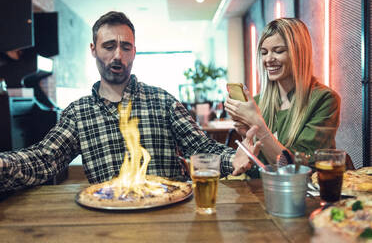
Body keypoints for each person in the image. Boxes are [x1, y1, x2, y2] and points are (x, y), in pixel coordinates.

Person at [0, 11, 251, 193]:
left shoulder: (163, 101)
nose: (118, 55)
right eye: (108, 46)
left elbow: (201, 149)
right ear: (93, 49)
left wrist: (234, 159)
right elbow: (45, 159)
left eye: (125, 47)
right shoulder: (78, 113)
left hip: (171, 217)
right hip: (108, 222)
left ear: (134, 51)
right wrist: (3, 164)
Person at [224, 18, 340, 177]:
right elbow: (256, 167)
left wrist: (258, 124)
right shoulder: (258, 102)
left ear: (299, 53)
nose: (268, 59)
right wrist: (246, 136)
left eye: (278, 51)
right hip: (262, 192)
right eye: (264, 53)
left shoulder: (324, 100)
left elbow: (298, 170)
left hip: (304, 195)